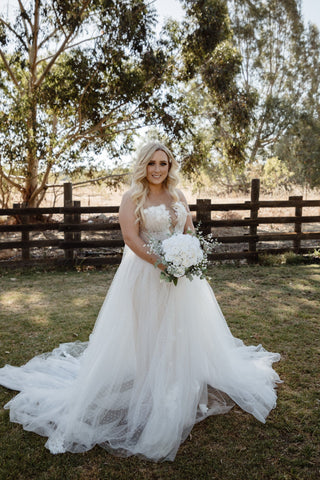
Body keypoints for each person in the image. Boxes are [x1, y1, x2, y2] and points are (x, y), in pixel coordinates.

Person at [0, 141, 281, 462]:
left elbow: (189, 229)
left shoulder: (179, 196)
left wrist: (189, 254)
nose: (158, 169)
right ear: (143, 166)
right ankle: (153, 388)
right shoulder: (132, 197)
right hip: (147, 274)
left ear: (170, 166)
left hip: (182, 277)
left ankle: (178, 378)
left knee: (181, 327)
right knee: (149, 328)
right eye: (152, 164)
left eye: (163, 163)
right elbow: (132, 239)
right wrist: (163, 263)